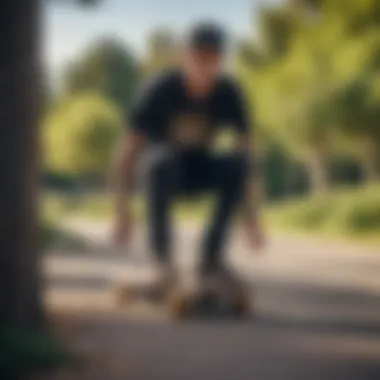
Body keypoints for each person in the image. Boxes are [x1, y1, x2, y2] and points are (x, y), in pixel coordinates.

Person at [113, 21, 266, 290]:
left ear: (222, 60)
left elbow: (249, 155)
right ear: (185, 57)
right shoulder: (159, 89)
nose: (205, 66)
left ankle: (210, 262)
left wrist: (252, 220)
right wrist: (122, 214)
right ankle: (162, 262)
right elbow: (127, 155)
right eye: (199, 57)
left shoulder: (229, 92)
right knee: (162, 161)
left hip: (197, 169)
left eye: (213, 59)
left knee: (237, 164)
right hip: (159, 172)